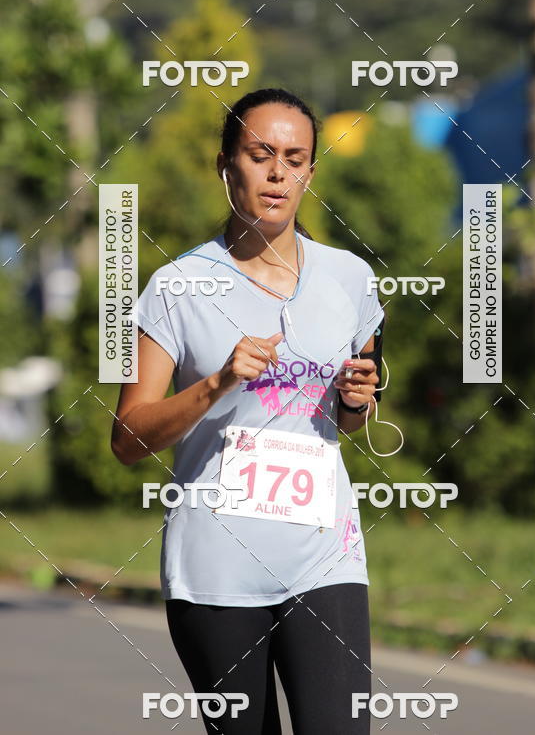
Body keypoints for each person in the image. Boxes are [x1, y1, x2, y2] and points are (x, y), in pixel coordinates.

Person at [112, 88, 385, 734]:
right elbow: (126, 438)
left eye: (295, 158)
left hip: (325, 555)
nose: (278, 172)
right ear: (226, 165)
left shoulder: (350, 278)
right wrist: (215, 384)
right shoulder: (177, 286)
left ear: (311, 172)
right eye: (261, 154)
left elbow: (351, 422)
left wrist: (356, 402)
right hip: (216, 569)